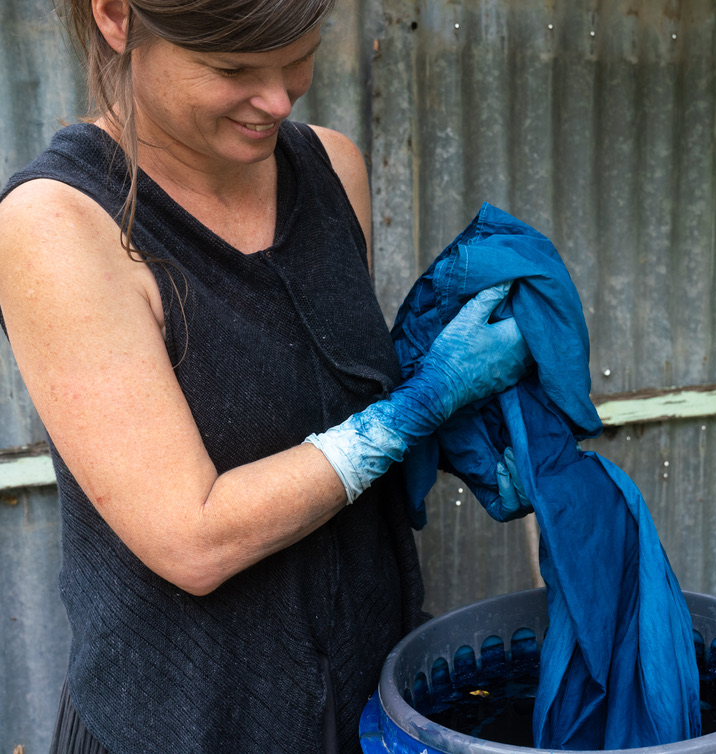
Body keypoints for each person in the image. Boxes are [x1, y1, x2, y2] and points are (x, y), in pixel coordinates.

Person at [0, 0, 530, 752]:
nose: (279, 100)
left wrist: (452, 415)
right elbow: (195, 540)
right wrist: (414, 409)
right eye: (235, 69)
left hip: (369, 707)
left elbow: (313, 404)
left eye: (298, 56)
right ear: (117, 17)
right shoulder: (62, 226)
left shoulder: (332, 168)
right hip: (183, 725)